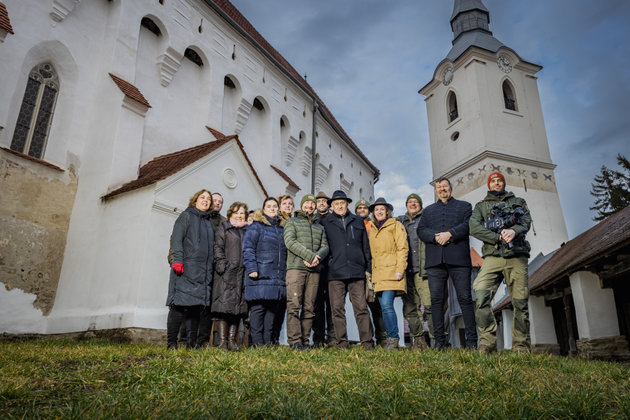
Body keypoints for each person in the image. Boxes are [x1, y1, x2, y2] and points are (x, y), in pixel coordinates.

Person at [470, 171, 532, 353]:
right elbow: (474, 227)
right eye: (493, 181)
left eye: (499, 181)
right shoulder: (481, 206)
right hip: (492, 257)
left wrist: (514, 231)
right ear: (489, 185)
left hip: (516, 255)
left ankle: (521, 346)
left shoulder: (518, 202)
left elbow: (526, 221)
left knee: (520, 302)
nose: (496, 183)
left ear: (503, 183)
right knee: (481, 293)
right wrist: (497, 237)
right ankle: (488, 341)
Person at [417, 177, 477, 349]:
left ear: (450, 188)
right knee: (436, 301)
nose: (442, 189)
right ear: (435, 190)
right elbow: (421, 230)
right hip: (435, 261)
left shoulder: (464, 206)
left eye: (445, 186)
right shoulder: (428, 211)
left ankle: (472, 343)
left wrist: (450, 234)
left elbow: (468, 225)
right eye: (439, 187)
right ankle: (439, 343)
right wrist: (436, 237)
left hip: (459, 259)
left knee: (465, 298)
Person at [320, 190, 374, 349]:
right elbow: (323, 246)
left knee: (361, 308)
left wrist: (368, 267)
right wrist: (329, 263)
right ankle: (342, 342)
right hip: (335, 272)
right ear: (332, 206)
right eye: (336, 204)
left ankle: (367, 342)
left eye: (342, 203)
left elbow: (366, 246)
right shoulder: (325, 222)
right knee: (337, 309)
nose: (339, 206)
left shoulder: (357, 221)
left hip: (357, 271)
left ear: (347, 204)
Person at [166, 189, 214, 349]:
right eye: (202, 197)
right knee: (178, 305)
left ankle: (191, 344)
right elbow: (177, 239)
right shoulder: (186, 216)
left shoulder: (209, 222)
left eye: (208, 199)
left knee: (195, 308)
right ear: (195, 200)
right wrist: (178, 260)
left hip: (202, 271)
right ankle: (172, 343)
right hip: (186, 268)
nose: (205, 200)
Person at [283, 194, 329, 350]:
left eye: (312, 204)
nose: (310, 206)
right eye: (307, 203)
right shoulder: (292, 222)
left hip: (314, 270)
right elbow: (290, 241)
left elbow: (325, 247)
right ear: (302, 205)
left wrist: (317, 258)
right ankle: (294, 342)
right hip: (296, 269)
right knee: (294, 305)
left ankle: (305, 341)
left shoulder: (319, 227)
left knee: (309, 308)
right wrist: (309, 256)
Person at [242, 197, 287, 346]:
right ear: (264, 209)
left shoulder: (281, 228)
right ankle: (257, 344)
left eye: (275, 206)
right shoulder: (256, 226)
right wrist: (252, 268)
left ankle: (267, 343)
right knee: (258, 310)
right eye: (269, 206)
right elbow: (248, 248)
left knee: (271, 311)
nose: (273, 208)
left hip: (277, 276)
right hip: (260, 274)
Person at [367, 197, 409, 351]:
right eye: (376, 209)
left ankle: (393, 338)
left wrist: (400, 268)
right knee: (382, 307)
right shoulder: (372, 229)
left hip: (392, 271)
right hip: (378, 274)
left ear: (387, 212)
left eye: (382, 209)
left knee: (386, 305)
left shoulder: (395, 225)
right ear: (373, 212)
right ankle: (389, 338)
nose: (379, 212)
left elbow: (402, 248)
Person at [210, 201, 249, 351]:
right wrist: (222, 266)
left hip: (242, 274)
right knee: (223, 307)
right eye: (236, 213)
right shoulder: (224, 228)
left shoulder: (247, 230)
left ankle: (232, 341)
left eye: (242, 213)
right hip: (226, 273)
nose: (239, 215)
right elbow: (218, 247)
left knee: (237, 309)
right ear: (231, 214)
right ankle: (222, 342)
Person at [399, 193, 432, 350]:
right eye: (410, 202)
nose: (413, 204)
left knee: (430, 304)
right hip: (406, 271)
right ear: (406, 205)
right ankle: (419, 340)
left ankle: (435, 338)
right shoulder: (400, 222)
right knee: (410, 307)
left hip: (422, 269)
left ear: (420, 204)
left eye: (416, 202)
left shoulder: (426, 219)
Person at [355, 199, 387, 347]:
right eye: (359, 208)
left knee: (375, 304)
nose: (362, 210)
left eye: (365, 208)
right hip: (358, 269)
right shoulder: (353, 224)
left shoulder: (373, 225)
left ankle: (383, 337)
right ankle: (368, 338)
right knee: (361, 306)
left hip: (374, 268)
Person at [312, 191, 335, 346]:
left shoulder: (333, 219)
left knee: (333, 304)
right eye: (318, 201)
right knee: (317, 304)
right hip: (316, 266)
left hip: (332, 267)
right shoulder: (312, 220)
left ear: (328, 203)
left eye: (324, 201)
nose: (321, 203)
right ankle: (318, 337)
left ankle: (333, 337)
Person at [273, 194, 295, 344]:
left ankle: (277, 338)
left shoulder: (293, 222)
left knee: (284, 305)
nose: (287, 206)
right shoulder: (277, 222)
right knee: (275, 304)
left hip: (290, 267)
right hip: (278, 267)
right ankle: (272, 337)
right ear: (280, 206)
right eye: (285, 203)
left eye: (290, 204)